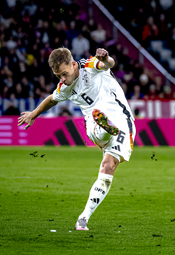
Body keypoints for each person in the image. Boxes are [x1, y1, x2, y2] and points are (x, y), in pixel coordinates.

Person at [18, 47, 136, 231]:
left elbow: (108, 64)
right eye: (58, 76)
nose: (62, 79)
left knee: (107, 167)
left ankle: (83, 218)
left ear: (73, 65)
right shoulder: (65, 86)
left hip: (122, 120)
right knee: (96, 130)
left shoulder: (89, 65)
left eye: (64, 74)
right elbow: (52, 99)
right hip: (92, 123)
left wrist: (106, 58)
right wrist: (33, 114)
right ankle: (103, 126)